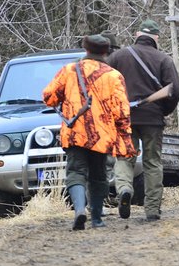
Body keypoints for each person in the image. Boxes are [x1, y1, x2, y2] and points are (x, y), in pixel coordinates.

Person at [43, 34, 135, 230]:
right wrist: (125, 136)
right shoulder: (113, 76)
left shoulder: (69, 70)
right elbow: (122, 110)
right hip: (101, 135)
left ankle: (79, 210)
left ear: (86, 49)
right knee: (99, 176)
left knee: (75, 172)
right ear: (106, 52)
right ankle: (97, 218)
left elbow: (49, 97)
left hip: (75, 132)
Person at [108, 19, 179, 221]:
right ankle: (152, 209)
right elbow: (175, 91)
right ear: (156, 37)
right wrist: (163, 111)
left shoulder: (117, 57)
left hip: (125, 119)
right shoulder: (163, 60)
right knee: (152, 163)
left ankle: (124, 189)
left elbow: (104, 85)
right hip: (152, 119)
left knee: (124, 158)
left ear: (136, 35)